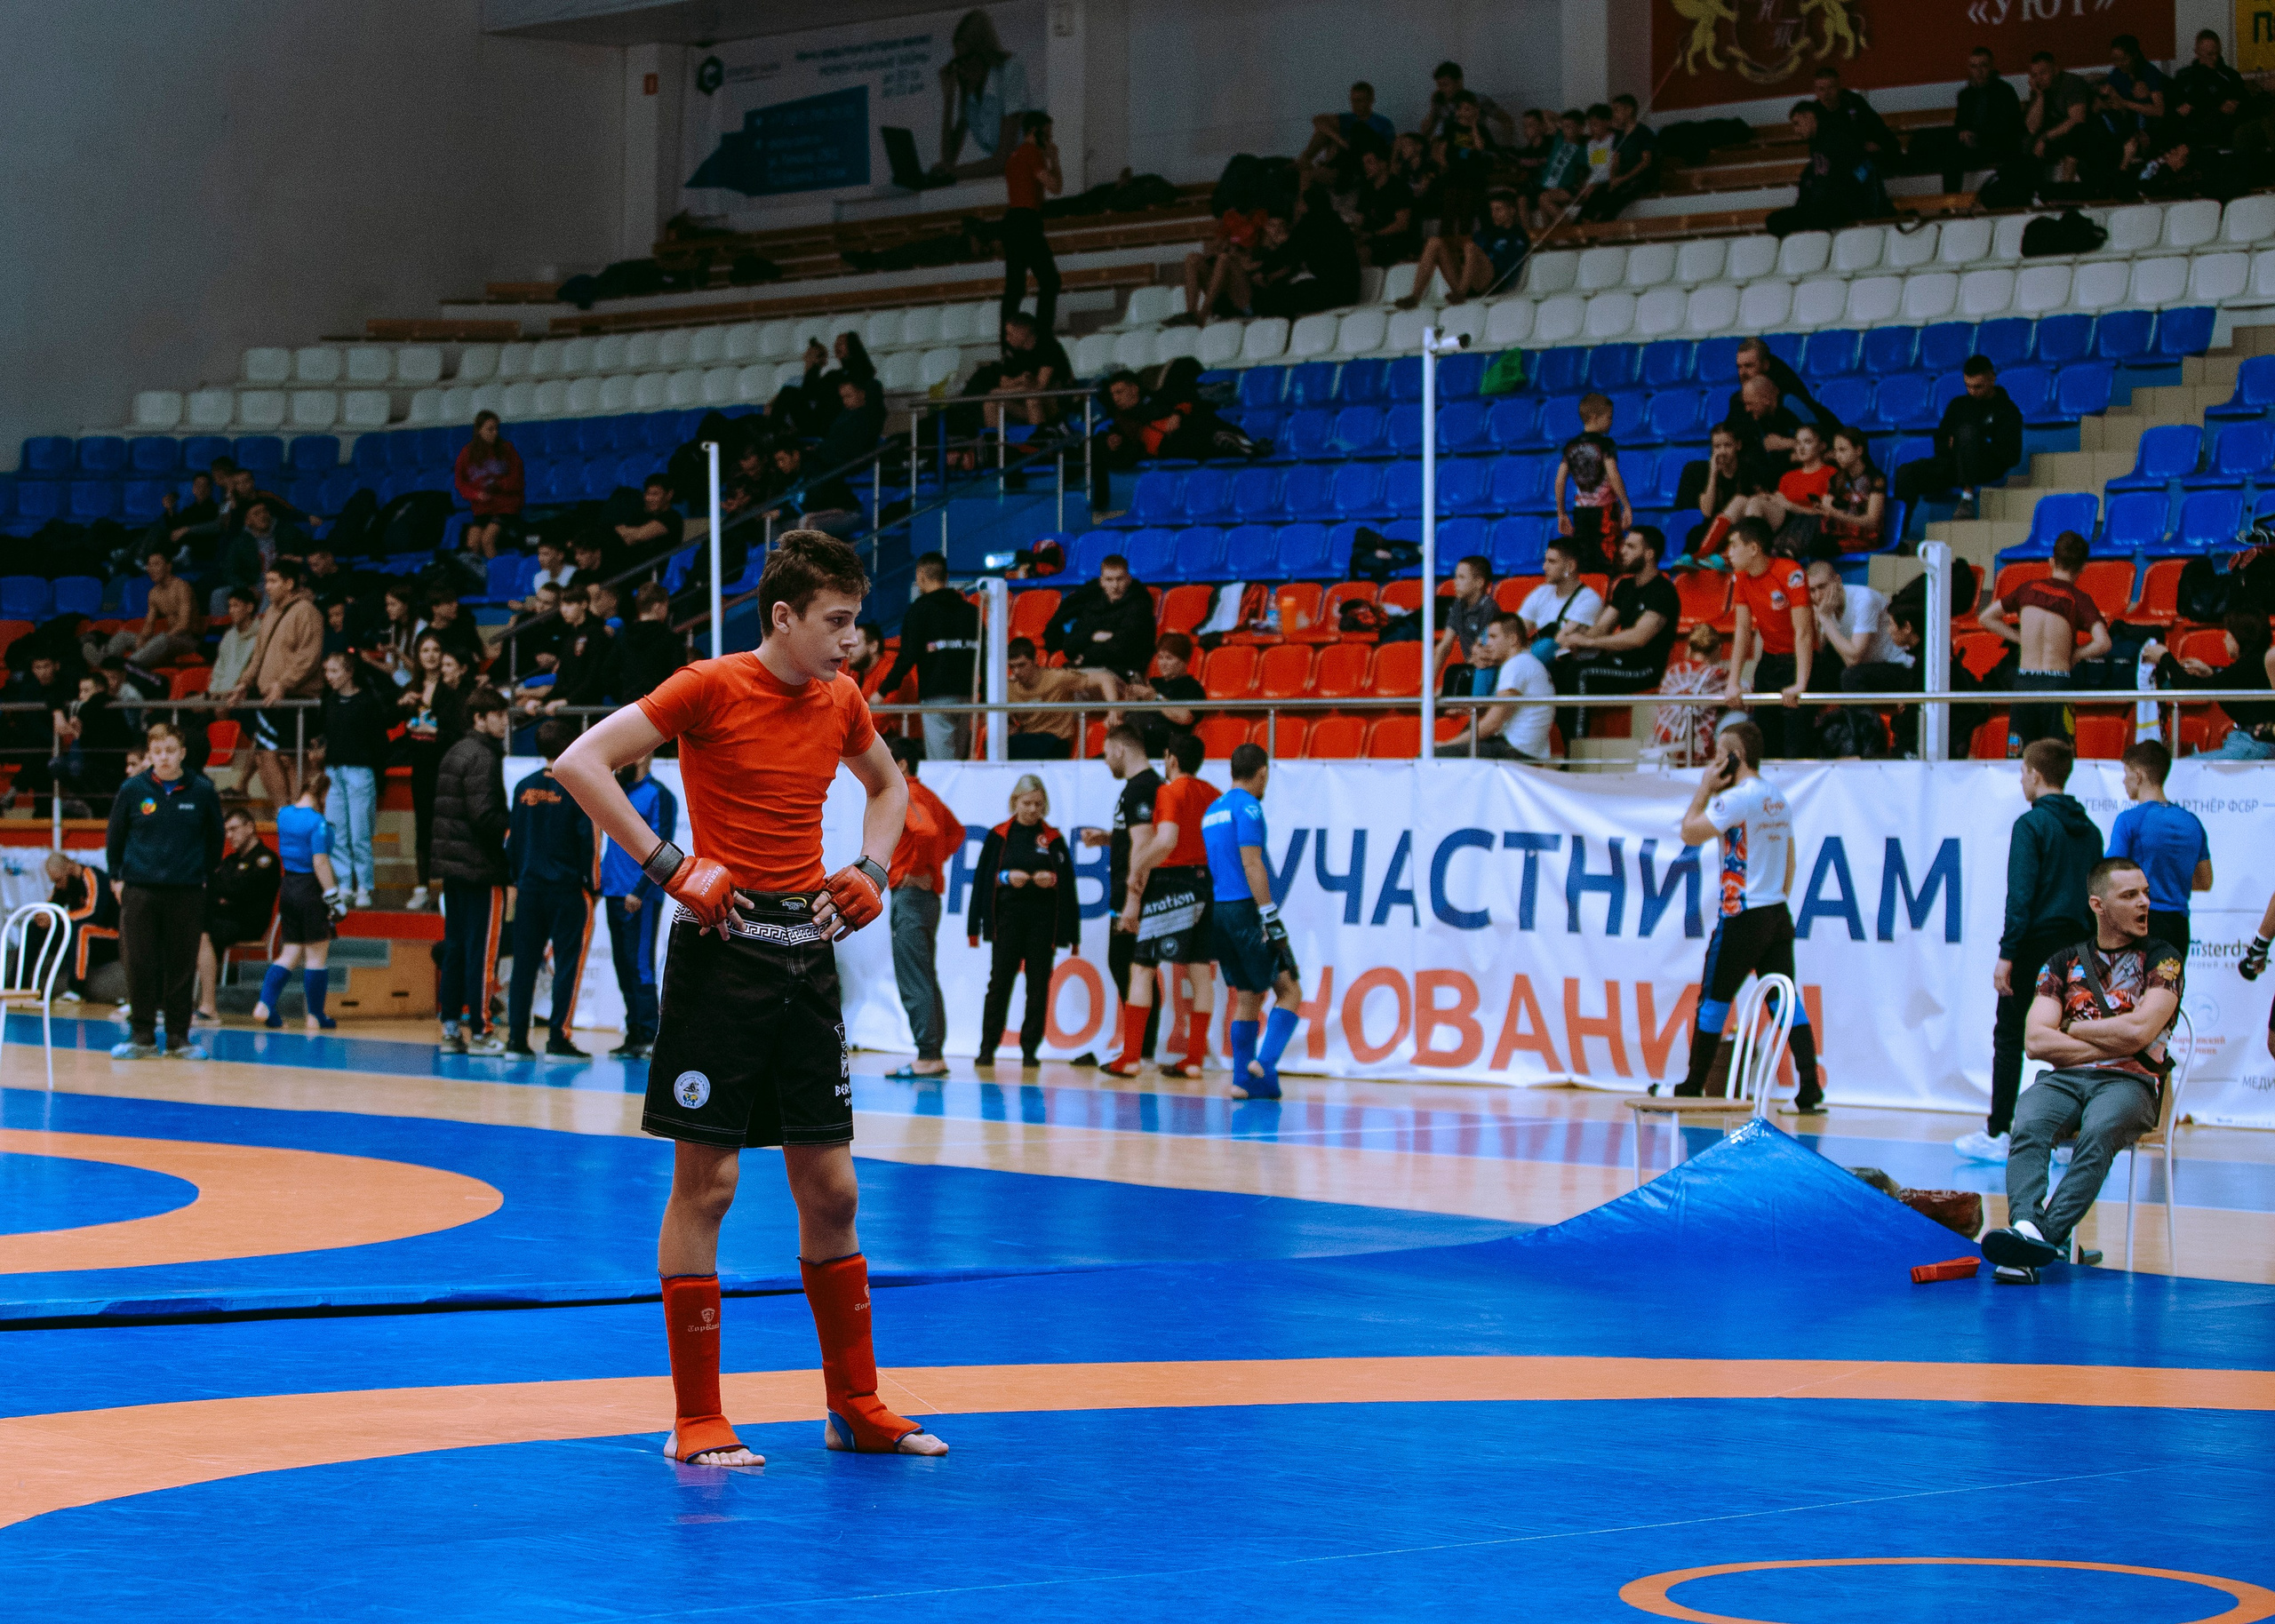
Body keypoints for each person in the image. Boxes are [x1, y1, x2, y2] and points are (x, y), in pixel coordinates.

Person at [549, 529, 940, 1466]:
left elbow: (889, 790)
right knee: (710, 1184)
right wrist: (667, 865)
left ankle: (855, 1404)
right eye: (835, 623)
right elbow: (579, 762)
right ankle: (696, 1420)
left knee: (833, 1188)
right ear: (784, 616)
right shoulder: (707, 685)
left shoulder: (842, 700)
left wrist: (874, 869)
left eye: (854, 622)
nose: (851, 643)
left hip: (805, 955)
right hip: (722, 955)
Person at [1982, 857, 2182, 1283]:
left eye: (2146, 893)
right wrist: (2113, 1038)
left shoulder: (2164, 960)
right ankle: (2026, 1227)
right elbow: (2036, 1041)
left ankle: (2039, 1239)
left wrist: (2074, 1027)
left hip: (2132, 1083)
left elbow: (2141, 1032)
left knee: (2100, 1127)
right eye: (2130, 895)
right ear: (2099, 905)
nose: (2145, 902)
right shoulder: (2061, 962)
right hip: (2066, 1081)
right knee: (2029, 1120)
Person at [1958, 738, 2103, 1162]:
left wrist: (2008, 954)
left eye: (2023, 772)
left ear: (2035, 775)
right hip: (2078, 944)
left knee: (2009, 1035)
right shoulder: (2090, 830)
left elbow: (2020, 896)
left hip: (2037, 940)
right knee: (2071, 1039)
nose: (2022, 780)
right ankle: (2069, 1136)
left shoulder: (2032, 825)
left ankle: (2000, 1130)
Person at [1669, 719, 1822, 1111]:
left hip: (1742, 915)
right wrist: (1775, 898)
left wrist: (1704, 788)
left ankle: (1692, 1084)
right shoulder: (1776, 798)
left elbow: (1690, 832)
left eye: (1720, 754)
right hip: (1775, 910)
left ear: (1735, 757)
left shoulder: (1735, 800)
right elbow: (1789, 861)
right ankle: (1809, 1085)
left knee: (1714, 1000)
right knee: (1783, 1001)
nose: (1714, 762)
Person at [104, 723, 227, 1061]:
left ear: (182, 753)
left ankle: (178, 1038)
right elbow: (115, 836)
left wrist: (203, 873)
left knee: (181, 965)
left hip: (186, 891)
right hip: (140, 890)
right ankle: (141, 1036)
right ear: (149, 755)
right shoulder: (132, 789)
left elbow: (215, 838)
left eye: (170, 751)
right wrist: (116, 876)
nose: (164, 758)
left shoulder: (202, 790)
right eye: (157, 752)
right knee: (139, 963)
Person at [1107, 730, 1218, 1080]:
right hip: (1204, 883)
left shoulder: (1169, 791)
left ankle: (1130, 1057)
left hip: (1171, 883)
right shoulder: (1213, 793)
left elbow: (1166, 840)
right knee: (1200, 972)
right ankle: (1195, 1060)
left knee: (1141, 968)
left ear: (1170, 758)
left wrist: (1138, 867)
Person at [1203, 744, 1302, 1101]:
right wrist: (1269, 916)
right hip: (1246, 910)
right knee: (1290, 991)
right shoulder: (1249, 807)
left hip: (1220, 911)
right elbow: (1252, 864)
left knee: (1247, 995)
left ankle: (1243, 1082)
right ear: (1261, 772)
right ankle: (1264, 1062)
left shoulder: (1212, 810)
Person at [968, 774, 1080, 1068]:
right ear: (1015, 802)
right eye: (1027, 803)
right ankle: (987, 1047)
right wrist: (1006, 877)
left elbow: (1067, 883)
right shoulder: (999, 835)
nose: (1033, 810)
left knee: (1038, 985)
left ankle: (1029, 1049)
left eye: (1039, 805)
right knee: (999, 984)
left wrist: (1052, 879)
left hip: (1043, 923)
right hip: (1007, 920)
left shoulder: (1053, 838)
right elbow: (983, 879)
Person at [503, 717, 598, 1061]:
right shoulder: (577, 787)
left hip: (529, 889)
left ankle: (516, 1040)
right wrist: (593, 887)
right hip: (565, 890)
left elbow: (510, 842)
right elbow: (589, 841)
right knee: (567, 965)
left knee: (524, 967)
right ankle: (558, 1038)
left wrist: (518, 877)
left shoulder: (523, 787)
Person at [1976, 529, 2109, 752]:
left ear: (2051, 561)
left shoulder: (2027, 589)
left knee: (2020, 757)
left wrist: (2021, 639)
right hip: (2057, 684)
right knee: (2058, 758)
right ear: (2084, 567)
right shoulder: (2078, 599)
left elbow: (1986, 617)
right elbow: (2103, 643)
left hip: (2024, 684)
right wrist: (2075, 655)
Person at [433, 688, 513, 1055]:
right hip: (481, 869)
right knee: (482, 953)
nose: (504, 720)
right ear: (479, 718)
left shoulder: (454, 751)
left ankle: (451, 1028)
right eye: (497, 714)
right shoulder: (484, 756)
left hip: (453, 868)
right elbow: (485, 817)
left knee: (455, 949)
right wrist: (517, 825)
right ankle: (481, 1030)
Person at [1081, 722, 1163, 1070]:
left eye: (1107, 754)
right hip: (1137, 890)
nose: (1106, 762)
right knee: (1133, 968)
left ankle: (1139, 1051)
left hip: (1136, 894)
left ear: (1119, 749)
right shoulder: (1146, 787)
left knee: (1131, 967)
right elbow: (1140, 839)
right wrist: (1108, 839)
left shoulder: (1140, 789)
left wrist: (1133, 899)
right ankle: (1138, 1050)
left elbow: (1144, 844)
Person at [885, 736, 964, 1079]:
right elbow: (955, 833)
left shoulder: (906, 793)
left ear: (901, 765)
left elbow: (929, 831)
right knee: (924, 975)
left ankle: (928, 1055)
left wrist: (915, 871)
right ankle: (932, 1052)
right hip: (924, 900)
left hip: (911, 898)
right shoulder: (928, 795)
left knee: (914, 976)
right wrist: (931, 867)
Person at [1555, 524, 1681, 730]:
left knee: (1581, 673)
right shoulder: (1624, 587)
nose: (1622, 551)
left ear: (1649, 554)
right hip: (1615, 662)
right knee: (1560, 667)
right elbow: (1602, 626)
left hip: (1642, 669)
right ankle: (1560, 746)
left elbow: (1638, 637)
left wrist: (1589, 641)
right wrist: (1573, 639)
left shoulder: (1663, 591)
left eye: (1631, 547)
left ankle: (1576, 749)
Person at [221, 560, 325, 808]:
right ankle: (284, 812)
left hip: (296, 698)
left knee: (292, 759)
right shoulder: (270, 613)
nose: (266, 587)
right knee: (264, 754)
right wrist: (244, 683)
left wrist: (284, 684)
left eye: (273, 581)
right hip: (270, 696)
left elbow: (308, 657)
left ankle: (301, 811)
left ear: (289, 584)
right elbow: (259, 654)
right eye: (266, 581)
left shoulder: (307, 612)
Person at [597, 752, 679, 1062]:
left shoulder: (660, 795)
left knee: (640, 965)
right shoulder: (617, 792)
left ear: (646, 756)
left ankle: (649, 1034)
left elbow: (665, 847)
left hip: (639, 897)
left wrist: (641, 890)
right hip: (614, 891)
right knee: (622, 964)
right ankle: (634, 1033)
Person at [252, 772, 346, 1031]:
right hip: (310, 889)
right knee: (316, 957)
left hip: (289, 887)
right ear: (323, 795)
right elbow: (320, 861)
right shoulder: (318, 823)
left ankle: (265, 1004)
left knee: (290, 952)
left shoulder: (283, 815)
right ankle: (315, 1015)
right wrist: (333, 897)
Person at [2107, 740, 2210, 959]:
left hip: (2141, 922)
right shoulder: (2192, 822)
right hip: (2178, 927)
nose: (2124, 781)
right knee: (2168, 992)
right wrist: (2171, 880)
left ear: (2139, 775)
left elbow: (2111, 877)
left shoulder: (2130, 820)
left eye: (2126, 773)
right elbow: (2204, 881)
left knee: (2133, 993)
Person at [1892, 355, 2024, 526]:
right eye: (1968, 386)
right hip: (1952, 464)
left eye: (1978, 386)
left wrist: (1975, 443)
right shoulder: (1958, 405)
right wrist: (1957, 446)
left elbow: (2011, 456)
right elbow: (1940, 441)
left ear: (1992, 378)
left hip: (1987, 466)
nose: (1972, 391)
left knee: (1966, 432)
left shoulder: (2008, 411)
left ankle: (1967, 499)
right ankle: (1897, 535)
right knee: (1906, 472)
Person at [1722, 519, 1816, 760]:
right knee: (1765, 744)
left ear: (1753, 548)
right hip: (1769, 661)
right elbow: (1742, 630)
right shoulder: (1741, 577)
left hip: (1801, 661)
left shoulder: (1790, 572)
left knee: (1796, 746)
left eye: (1733, 546)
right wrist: (1733, 682)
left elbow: (1804, 632)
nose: (1728, 553)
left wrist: (1801, 682)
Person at [875, 553, 980, 760]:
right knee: (959, 761)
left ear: (920, 575)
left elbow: (907, 656)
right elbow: (984, 656)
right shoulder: (971, 611)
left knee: (941, 764)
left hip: (936, 695)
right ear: (947, 576)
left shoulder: (919, 610)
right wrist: (983, 693)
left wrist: (882, 690)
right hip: (968, 695)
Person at [195, 808, 280, 1027]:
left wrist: (223, 892)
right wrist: (222, 893)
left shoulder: (266, 859)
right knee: (187, 926)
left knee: (203, 933)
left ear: (250, 827)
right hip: (223, 918)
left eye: (233, 829)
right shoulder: (231, 860)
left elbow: (241, 890)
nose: (229, 836)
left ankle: (208, 1006)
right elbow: (214, 891)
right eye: (227, 831)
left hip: (248, 923)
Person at [316, 649, 389, 906]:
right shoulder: (330, 702)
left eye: (334, 671)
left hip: (360, 771)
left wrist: (378, 778)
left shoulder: (367, 702)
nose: (329, 677)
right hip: (335, 771)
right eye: (326, 671)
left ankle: (365, 887)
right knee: (336, 831)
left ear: (349, 673)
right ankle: (345, 884)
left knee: (359, 833)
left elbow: (379, 743)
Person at [1436, 612, 1554, 762]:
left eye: (1493, 637)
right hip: (1526, 749)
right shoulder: (1526, 662)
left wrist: (1447, 745)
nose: (1488, 643)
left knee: (1434, 755)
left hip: (1516, 751)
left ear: (1513, 639)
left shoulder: (1516, 665)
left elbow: (1493, 723)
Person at [1909, 47, 2024, 192]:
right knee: (1936, 143)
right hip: (1971, 145)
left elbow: (2007, 127)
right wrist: (1964, 134)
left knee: (1952, 154)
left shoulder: (2004, 91)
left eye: (1983, 65)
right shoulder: (1966, 95)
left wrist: (1978, 136)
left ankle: (1950, 204)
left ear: (1991, 66)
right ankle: (1950, 205)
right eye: (1974, 66)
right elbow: (1961, 123)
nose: (1979, 71)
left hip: (1996, 145)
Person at [933, 7, 1030, 177]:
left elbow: (1005, 158)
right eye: (957, 62)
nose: (962, 69)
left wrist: (953, 173)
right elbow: (948, 158)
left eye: (966, 59)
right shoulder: (969, 88)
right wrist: (949, 99)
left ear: (983, 52)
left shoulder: (1010, 71)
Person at [395, 633, 453, 912]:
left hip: (447, 764)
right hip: (421, 765)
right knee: (423, 827)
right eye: (425, 650)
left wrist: (435, 731)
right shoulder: (411, 686)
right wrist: (402, 705)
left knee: (447, 826)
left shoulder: (451, 687)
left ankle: (446, 889)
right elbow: (389, 718)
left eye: (436, 649)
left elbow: (457, 729)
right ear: (417, 656)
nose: (431, 655)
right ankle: (421, 888)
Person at [1766, 98, 1877, 237]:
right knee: (1775, 221)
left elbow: (1858, 172)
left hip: (1844, 206)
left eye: (1797, 123)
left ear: (1810, 117)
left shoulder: (1838, 137)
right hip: (1826, 206)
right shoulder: (1817, 144)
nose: (1796, 130)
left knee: (1786, 221)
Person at [1401, 189, 1529, 308]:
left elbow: (1507, 267)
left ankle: (1460, 293)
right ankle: (1415, 296)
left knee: (1470, 247)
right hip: (1469, 280)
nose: (1494, 214)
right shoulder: (1486, 232)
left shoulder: (1518, 236)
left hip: (1491, 284)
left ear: (1512, 211)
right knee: (1434, 242)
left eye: (1499, 209)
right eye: (1492, 210)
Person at [1000, 111, 1063, 338]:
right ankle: (1043, 333)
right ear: (1036, 132)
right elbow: (1055, 185)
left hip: (1013, 220)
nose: (1049, 140)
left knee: (1014, 287)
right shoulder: (1031, 153)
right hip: (1027, 221)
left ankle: (1007, 339)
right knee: (1050, 280)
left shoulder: (1014, 155)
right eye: (1047, 135)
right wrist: (1054, 158)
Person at [1005, 636, 1121, 759]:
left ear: (1035, 660)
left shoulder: (1057, 678)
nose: (1016, 671)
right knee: (996, 744)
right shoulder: (1009, 688)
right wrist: (1009, 725)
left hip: (1056, 741)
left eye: (1021, 665)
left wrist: (1113, 710)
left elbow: (1104, 678)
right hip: (1027, 740)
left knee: (1009, 747)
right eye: (1012, 667)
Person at [88, 548, 200, 672]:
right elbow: (149, 624)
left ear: (168, 566)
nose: (151, 569)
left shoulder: (182, 587)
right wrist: (142, 639)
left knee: (161, 639)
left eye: (156, 564)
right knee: (122, 636)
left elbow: (184, 625)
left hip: (188, 641)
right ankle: (105, 662)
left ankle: (125, 666)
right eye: (149, 565)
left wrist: (159, 639)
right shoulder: (153, 593)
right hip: (166, 640)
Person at [1044, 553, 1154, 677]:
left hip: (1122, 672)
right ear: (1101, 582)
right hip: (1086, 669)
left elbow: (1123, 648)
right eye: (1109, 580)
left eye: (1119, 579)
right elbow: (1069, 646)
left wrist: (1085, 656)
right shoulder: (1092, 606)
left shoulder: (1139, 606)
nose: (1115, 585)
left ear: (1128, 579)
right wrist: (1092, 636)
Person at [1805, 559, 1905, 693]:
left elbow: (1854, 660)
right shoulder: (1825, 608)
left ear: (1838, 581)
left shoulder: (1864, 600)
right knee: (1808, 670)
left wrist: (1825, 619)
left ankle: (1858, 714)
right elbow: (1819, 652)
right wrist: (1817, 622)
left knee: (1851, 676)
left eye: (1822, 587)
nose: (1818, 596)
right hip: (1863, 665)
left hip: (1895, 665)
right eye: (1812, 590)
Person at [1297, 80, 1396, 193]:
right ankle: (1305, 159)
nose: (1355, 105)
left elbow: (1390, 148)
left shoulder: (1382, 122)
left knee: (1357, 129)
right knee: (1324, 133)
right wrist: (1340, 141)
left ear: (1370, 100)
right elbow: (1318, 120)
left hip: (1359, 161)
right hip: (1341, 155)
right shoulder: (1348, 119)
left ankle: (1322, 169)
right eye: (1353, 101)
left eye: (1359, 101)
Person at [1654, 624, 1728, 765]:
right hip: (1699, 751)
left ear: (1689, 647)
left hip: (1665, 747)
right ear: (1718, 648)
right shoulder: (1718, 675)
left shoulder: (1672, 671)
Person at [454, 411, 525, 560]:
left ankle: (497, 577)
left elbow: (517, 479)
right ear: (479, 430)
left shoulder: (507, 449)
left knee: (487, 540)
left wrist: (499, 485)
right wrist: (476, 494)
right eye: (490, 429)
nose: (495, 433)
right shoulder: (467, 452)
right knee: (472, 543)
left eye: (496, 429)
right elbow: (461, 483)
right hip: (483, 509)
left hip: (506, 507)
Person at [1122, 632, 1207, 756]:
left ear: (1184, 661)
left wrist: (1154, 698)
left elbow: (1185, 717)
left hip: (1164, 749)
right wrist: (1130, 701)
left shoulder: (1192, 688)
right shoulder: (1153, 683)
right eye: (1160, 657)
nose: (1163, 663)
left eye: (1169, 658)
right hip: (1132, 743)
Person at [1515, 537, 1604, 654]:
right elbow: (1517, 631)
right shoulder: (1541, 592)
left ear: (1571, 566)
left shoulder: (1589, 600)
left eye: (1552, 562)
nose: (1544, 567)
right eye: (1545, 561)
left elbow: (1557, 644)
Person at [2021, 51, 2095, 187]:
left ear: (2055, 70)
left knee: (2075, 135)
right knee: (2027, 142)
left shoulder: (2071, 83)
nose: (2039, 79)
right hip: (2056, 135)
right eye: (2034, 75)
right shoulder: (2039, 90)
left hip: (2081, 134)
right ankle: (2035, 190)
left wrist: (2045, 137)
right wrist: (2039, 96)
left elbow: (2078, 119)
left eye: (2043, 73)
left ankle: (2067, 188)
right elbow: (2032, 127)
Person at [1583, 93, 1658, 221]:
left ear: (1629, 110)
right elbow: (1615, 160)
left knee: (1614, 201)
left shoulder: (1643, 132)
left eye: (1616, 110)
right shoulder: (1619, 135)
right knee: (1595, 196)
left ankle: (1599, 230)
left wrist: (1622, 179)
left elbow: (1646, 162)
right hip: (1621, 179)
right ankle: (1581, 227)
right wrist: (1613, 179)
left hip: (1638, 179)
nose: (1613, 115)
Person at [2173, 29, 2252, 149]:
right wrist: (2180, 108)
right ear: (2197, 52)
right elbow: (2175, 103)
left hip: (2219, 126)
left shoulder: (2230, 76)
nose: (2214, 58)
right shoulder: (2184, 76)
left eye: (2217, 53)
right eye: (2209, 54)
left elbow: (2245, 103)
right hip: (2189, 129)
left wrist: (2233, 106)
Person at [1432, 554, 1498, 695]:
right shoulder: (1458, 605)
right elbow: (1445, 646)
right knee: (1440, 691)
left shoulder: (1489, 608)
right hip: (1470, 667)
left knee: (1453, 675)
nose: (1455, 582)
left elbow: (1483, 649)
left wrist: (1447, 688)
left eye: (1461, 578)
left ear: (1479, 582)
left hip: (1489, 669)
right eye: (1456, 577)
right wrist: (1427, 684)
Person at [614, 582, 686, 706]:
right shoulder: (670, 639)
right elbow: (679, 676)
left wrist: (624, 694)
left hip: (630, 706)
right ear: (657, 606)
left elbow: (608, 673)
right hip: (660, 706)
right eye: (666, 606)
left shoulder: (625, 638)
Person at [1354, 144, 1420, 267]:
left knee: (1364, 252)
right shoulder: (1367, 190)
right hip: (1372, 239)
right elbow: (1360, 219)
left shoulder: (1398, 188)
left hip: (1394, 241)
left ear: (1383, 164)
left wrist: (1373, 235)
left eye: (1370, 162)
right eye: (1364, 163)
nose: (1366, 167)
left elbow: (1402, 224)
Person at [1533, 107, 1591, 230]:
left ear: (1580, 128)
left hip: (1568, 188)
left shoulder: (1582, 150)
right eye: (1564, 127)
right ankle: (1549, 239)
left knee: (1543, 198)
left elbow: (1588, 170)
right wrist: (1562, 120)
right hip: (1548, 186)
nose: (1565, 130)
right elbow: (1545, 113)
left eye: (1570, 127)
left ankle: (1573, 232)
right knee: (1542, 202)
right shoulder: (1559, 139)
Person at [207, 587, 261, 698]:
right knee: (182, 707)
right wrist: (214, 691)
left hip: (241, 695)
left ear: (249, 607)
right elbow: (219, 669)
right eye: (230, 606)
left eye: (236, 606)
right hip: (218, 693)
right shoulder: (229, 636)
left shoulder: (261, 634)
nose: (231, 611)